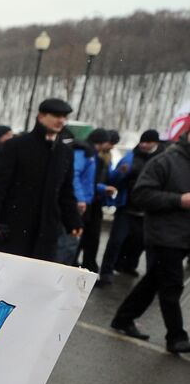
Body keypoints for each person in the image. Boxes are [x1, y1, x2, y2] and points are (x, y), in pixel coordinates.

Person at [109, 131, 190, 353]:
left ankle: (123, 318)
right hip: (164, 235)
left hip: (184, 236)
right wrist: (179, 200)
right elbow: (141, 195)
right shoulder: (166, 160)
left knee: (154, 280)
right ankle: (176, 337)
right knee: (172, 284)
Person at [0, 98, 82, 262]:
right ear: (41, 116)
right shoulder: (16, 145)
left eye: (64, 116)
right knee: (4, 275)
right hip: (12, 225)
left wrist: (73, 220)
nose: (61, 120)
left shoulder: (65, 152)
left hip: (46, 230)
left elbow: (65, 191)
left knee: (35, 281)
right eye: (55, 115)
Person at [100, 130, 162, 283]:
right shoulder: (130, 158)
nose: (143, 145)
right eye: (142, 141)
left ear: (155, 143)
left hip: (147, 210)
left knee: (138, 242)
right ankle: (106, 271)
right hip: (127, 207)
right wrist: (121, 173)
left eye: (147, 142)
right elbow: (113, 179)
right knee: (116, 241)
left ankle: (127, 266)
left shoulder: (161, 160)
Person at [75, 129, 117, 273]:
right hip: (82, 204)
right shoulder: (86, 153)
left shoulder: (97, 156)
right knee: (76, 239)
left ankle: (85, 267)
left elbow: (90, 182)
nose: (112, 146)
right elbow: (77, 176)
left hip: (90, 202)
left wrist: (102, 188)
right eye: (110, 142)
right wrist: (81, 199)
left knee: (87, 238)